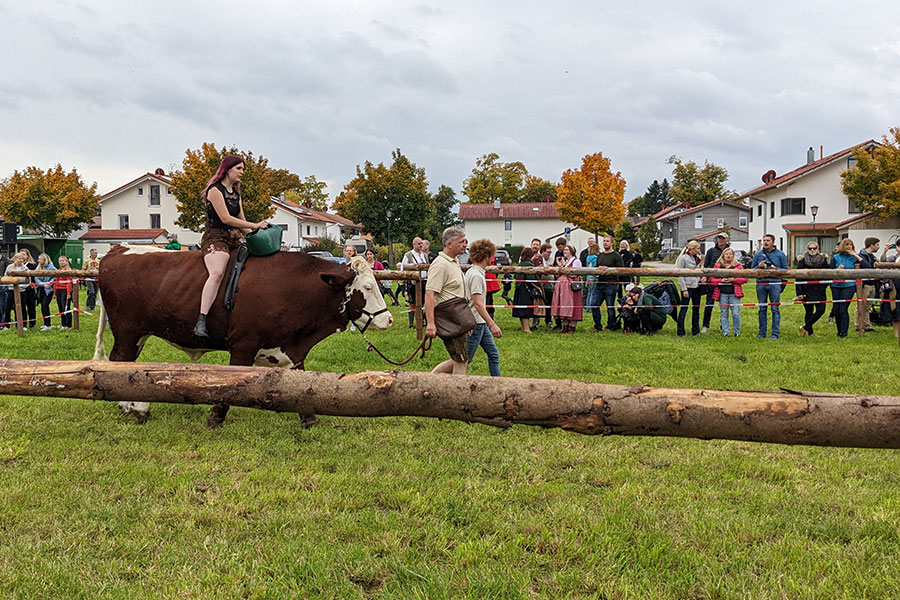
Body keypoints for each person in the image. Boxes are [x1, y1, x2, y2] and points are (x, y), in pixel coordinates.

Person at [193, 155, 269, 337]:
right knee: (217, 272)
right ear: (227, 169)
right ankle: (201, 320)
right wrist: (256, 224)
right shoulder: (214, 190)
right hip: (216, 237)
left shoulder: (236, 192)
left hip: (234, 237)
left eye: (243, 169)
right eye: (239, 168)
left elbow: (241, 222)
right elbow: (226, 218)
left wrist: (257, 235)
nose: (242, 172)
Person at [424, 227, 469, 375]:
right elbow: (430, 294)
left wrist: (465, 322)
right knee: (461, 360)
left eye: (465, 241)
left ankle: (430, 381)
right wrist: (430, 323)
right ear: (449, 244)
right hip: (449, 319)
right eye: (461, 241)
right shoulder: (440, 264)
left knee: (459, 358)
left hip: (458, 318)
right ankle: (458, 395)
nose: (465, 244)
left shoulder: (453, 261)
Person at [465, 239, 502, 376]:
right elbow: (477, 303)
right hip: (476, 323)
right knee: (464, 360)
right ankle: (437, 376)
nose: (492, 259)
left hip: (481, 322)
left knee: (493, 354)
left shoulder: (475, 272)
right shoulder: (476, 275)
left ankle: (497, 384)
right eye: (491, 255)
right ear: (486, 256)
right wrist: (492, 324)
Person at [750, 234, 788, 339]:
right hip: (761, 283)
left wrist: (776, 269)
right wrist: (759, 266)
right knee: (762, 308)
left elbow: (786, 271)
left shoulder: (780, 254)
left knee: (775, 308)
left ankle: (775, 333)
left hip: (775, 283)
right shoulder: (758, 255)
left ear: (773, 242)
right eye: (764, 240)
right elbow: (751, 270)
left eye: (768, 240)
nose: (766, 242)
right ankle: (762, 332)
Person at [708, 247, 747, 337]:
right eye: (727, 254)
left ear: (733, 256)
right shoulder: (717, 266)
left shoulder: (738, 266)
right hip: (722, 293)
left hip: (734, 293)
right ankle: (725, 332)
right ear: (723, 255)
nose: (728, 256)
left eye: (730, 254)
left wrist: (733, 279)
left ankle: (737, 332)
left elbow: (745, 279)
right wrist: (720, 281)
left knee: (736, 313)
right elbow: (712, 279)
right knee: (724, 313)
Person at [589, 235, 624, 332]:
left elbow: (621, 270)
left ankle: (610, 326)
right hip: (600, 283)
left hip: (611, 284)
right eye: (604, 241)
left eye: (607, 241)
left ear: (612, 243)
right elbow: (596, 268)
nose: (605, 243)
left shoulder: (616, 255)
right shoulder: (600, 255)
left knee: (610, 306)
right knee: (594, 304)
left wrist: (608, 270)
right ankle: (597, 325)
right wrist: (598, 270)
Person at [796, 241, 830, 337]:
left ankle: (805, 327)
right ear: (807, 249)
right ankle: (810, 333)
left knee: (821, 310)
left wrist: (824, 286)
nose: (812, 250)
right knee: (809, 311)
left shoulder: (823, 260)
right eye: (810, 248)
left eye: (814, 248)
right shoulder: (802, 261)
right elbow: (798, 277)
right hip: (806, 290)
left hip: (820, 290)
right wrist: (799, 292)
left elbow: (829, 274)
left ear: (818, 249)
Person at [830, 238, 862, 338]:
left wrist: (855, 255)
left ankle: (844, 332)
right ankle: (839, 331)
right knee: (836, 309)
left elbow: (866, 265)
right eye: (847, 245)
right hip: (836, 285)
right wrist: (837, 269)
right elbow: (829, 271)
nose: (849, 247)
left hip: (849, 285)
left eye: (851, 245)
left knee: (843, 309)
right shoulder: (836, 257)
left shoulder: (854, 258)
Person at [702, 232, 730, 333]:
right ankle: (705, 325)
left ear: (726, 240)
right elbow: (706, 266)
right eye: (719, 238)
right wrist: (705, 276)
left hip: (726, 282)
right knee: (709, 304)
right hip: (713, 281)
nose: (721, 240)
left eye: (723, 239)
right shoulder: (711, 251)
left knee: (725, 306)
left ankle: (724, 326)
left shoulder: (729, 251)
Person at [551, 245, 583, 333]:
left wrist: (564, 271)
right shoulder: (565, 262)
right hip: (563, 288)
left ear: (572, 251)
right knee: (563, 305)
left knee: (572, 304)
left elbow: (575, 274)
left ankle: (572, 327)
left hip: (571, 287)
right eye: (564, 250)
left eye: (567, 250)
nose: (565, 251)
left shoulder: (576, 261)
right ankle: (565, 326)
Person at [675, 240, 703, 337]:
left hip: (696, 287)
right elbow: (680, 274)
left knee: (696, 309)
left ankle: (696, 331)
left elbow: (698, 270)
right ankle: (680, 331)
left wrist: (701, 278)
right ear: (692, 249)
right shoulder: (683, 258)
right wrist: (684, 289)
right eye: (698, 248)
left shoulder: (698, 258)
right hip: (687, 287)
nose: (699, 250)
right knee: (684, 309)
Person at [401, 237, 429, 328]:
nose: (421, 245)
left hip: (424, 282)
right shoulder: (408, 255)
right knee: (412, 303)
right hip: (412, 283)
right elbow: (403, 268)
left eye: (421, 243)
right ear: (414, 245)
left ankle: (420, 322)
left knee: (422, 303)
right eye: (419, 244)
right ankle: (411, 324)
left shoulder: (425, 255)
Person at [512, 248, 538, 332]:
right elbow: (532, 279)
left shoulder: (520, 264)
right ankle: (527, 329)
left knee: (520, 308)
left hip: (519, 288)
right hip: (526, 289)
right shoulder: (529, 265)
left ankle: (523, 327)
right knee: (525, 310)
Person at [857, 237, 880, 333]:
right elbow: (868, 267)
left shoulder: (872, 256)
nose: (878, 247)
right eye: (877, 245)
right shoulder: (862, 255)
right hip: (865, 284)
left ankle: (866, 324)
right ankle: (859, 324)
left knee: (867, 306)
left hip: (872, 283)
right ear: (872, 245)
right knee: (861, 305)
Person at [4, 252, 31, 329]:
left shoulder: (25, 268)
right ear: (15, 259)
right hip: (11, 290)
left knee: (22, 308)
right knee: (7, 307)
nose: (21, 260)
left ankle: (23, 325)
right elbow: (6, 277)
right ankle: (7, 325)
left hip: (22, 291)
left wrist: (21, 286)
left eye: (22, 259)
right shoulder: (9, 267)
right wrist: (11, 284)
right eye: (19, 259)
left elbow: (28, 281)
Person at [34, 253, 57, 331]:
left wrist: (49, 283)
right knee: (42, 307)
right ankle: (45, 324)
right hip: (42, 289)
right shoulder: (38, 268)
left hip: (49, 290)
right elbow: (36, 278)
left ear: (44, 260)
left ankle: (48, 325)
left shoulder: (52, 268)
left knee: (45, 306)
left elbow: (54, 277)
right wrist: (43, 284)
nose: (38, 260)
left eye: (40, 259)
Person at [54, 255, 74, 329]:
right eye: (60, 261)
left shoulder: (68, 270)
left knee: (66, 307)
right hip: (58, 290)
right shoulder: (58, 270)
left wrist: (68, 293)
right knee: (60, 308)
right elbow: (56, 282)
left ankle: (68, 325)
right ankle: (63, 324)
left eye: (63, 260)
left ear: (66, 262)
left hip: (65, 290)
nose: (61, 262)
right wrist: (54, 293)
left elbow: (69, 282)